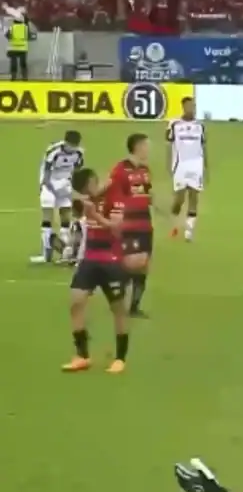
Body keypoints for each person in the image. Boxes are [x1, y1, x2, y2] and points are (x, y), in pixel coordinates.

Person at [61, 167, 131, 374]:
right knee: (76, 302)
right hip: (90, 259)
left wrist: (95, 215)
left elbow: (117, 229)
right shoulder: (91, 198)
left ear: (94, 180)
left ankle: (120, 358)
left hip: (110, 260)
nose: (85, 192)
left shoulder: (114, 198)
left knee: (118, 309)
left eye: (86, 187)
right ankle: (82, 355)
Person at [107, 134, 155, 318]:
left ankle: (134, 307)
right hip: (129, 223)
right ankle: (116, 296)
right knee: (131, 263)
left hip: (145, 222)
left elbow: (147, 193)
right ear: (137, 147)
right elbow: (113, 195)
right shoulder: (120, 170)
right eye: (146, 145)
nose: (148, 149)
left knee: (144, 265)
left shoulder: (145, 170)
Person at [31, 130, 84, 264]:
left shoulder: (79, 153)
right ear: (65, 143)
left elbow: (77, 172)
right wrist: (53, 189)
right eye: (71, 146)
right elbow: (46, 172)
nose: (73, 149)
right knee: (48, 215)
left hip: (65, 183)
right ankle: (46, 255)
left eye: (75, 146)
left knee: (65, 216)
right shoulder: (53, 151)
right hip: (49, 184)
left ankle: (65, 253)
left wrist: (71, 188)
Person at [167, 97, 207, 242]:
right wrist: (169, 166)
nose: (192, 109)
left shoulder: (200, 126)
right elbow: (169, 145)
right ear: (183, 107)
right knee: (179, 199)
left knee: (194, 197)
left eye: (194, 106)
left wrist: (206, 167)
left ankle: (189, 232)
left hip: (196, 164)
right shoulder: (174, 124)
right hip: (180, 164)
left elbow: (203, 147)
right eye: (189, 106)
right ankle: (174, 224)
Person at [5, 13, 31, 80]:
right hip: (23, 48)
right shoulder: (25, 27)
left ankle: (13, 76)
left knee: (13, 62)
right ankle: (24, 77)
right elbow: (29, 36)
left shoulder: (12, 27)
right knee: (23, 63)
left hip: (13, 48)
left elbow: (7, 35)